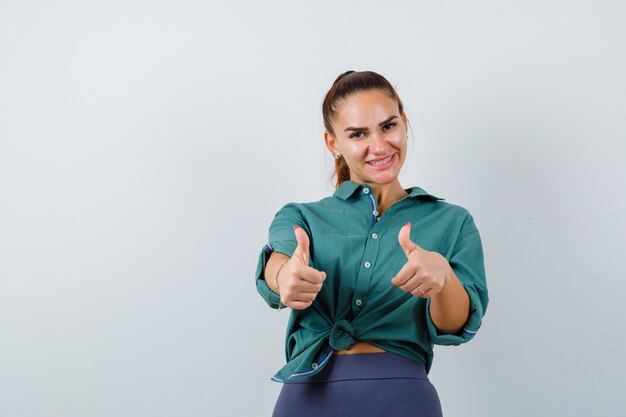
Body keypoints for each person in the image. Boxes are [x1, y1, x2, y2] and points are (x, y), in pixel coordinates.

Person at [254, 70, 489, 417]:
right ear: (333, 142)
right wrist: (285, 277)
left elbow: (455, 326)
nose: (379, 146)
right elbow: (280, 262)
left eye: (388, 126)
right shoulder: (301, 216)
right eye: (358, 134)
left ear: (405, 124)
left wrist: (443, 279)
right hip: (308, 399)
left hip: (404, 400)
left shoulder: (453, 222)